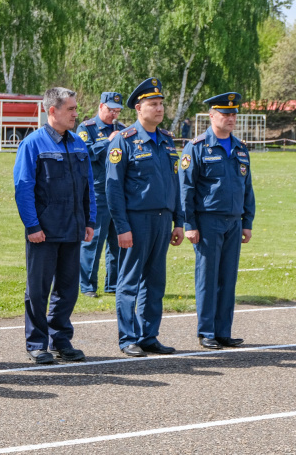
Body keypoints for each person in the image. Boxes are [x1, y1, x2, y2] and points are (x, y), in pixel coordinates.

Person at [13, 87, 95, 364]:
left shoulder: (79, 144)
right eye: (70, 109)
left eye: (75, 108)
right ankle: (37, 343)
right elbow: (23, 188)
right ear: (52, 111)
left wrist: (89, 220)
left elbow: (88, 188)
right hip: (44, 232)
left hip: (73, 228)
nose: (75, 114)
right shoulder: (33, 144)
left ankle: (60, 338)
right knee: (38, 289)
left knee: (68, 288)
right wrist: (32, 225)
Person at [106, 77, 184, 357]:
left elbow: (175, 184)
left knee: (155, 281)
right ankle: (128, 338)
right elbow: (113, 188)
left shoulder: (166, 141)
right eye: (153, 104)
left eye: (161, 104)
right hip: (136, 221)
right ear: (139, 108)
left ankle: (148, 335)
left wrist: (179, 221)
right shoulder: (124, 141)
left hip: (163, 220)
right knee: (128, 281)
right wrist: (122, 227)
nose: (159, 109)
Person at [179, 93, 255, 350]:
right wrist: (189, 224)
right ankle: (207, 331)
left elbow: (248, 188)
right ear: (212, 116)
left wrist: (248, 221)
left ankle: (223, 331)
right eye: (225, 114)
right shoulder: (197, 147)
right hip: (208, 221)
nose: (231, 118)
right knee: (208, 277)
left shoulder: (240, 148)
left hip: (234, 222)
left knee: (228, 277)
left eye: (234, 114)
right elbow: (186, 189)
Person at [77, 92, 126, 298]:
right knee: (94, 240)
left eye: (117, 111)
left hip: (119, 192)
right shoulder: (86, 128)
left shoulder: (123, 130)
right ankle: (87, 285)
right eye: (110, 109)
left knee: (118, 241)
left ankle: (113, 284)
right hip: (98, 192)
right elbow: (83, 154)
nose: (113, 114)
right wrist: (108, 141)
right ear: (100, 107)